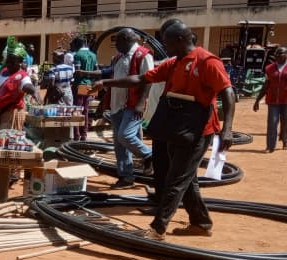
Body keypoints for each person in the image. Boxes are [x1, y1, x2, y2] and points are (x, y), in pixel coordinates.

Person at [93, 22, 236, 239]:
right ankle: (201, 222)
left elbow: (228, 93)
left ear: (180, 40)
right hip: (176, 127)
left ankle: (158, 228)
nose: (164, 46)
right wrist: (107, 82)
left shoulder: (207, 61)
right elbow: (141, 79)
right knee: (186, 180)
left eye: (167, 42)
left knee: (176, 178)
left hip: (199, 131)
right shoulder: (174, 63)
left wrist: (227, 129)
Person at [78, 28, 155, 189]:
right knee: (119, 143)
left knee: (125, 135)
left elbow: (147, 80)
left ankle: (149, 155)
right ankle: (126, 176)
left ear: (127, 39)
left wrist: (141, 102)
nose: (116, 45)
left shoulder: (143, 55)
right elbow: (110, 75)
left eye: (118, 41)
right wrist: (103, 102)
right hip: (117, 104)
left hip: (133, 104)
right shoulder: (119, 57)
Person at [0, 40, 42, 130]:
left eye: (12, 62)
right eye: (7, 61)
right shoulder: (4, 71)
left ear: (20, 62)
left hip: (10, 115)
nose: (8, 64)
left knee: (6, 141)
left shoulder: (22, 76)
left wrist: (34, 92)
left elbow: (27, 85)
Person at [253, 46, 287, 153]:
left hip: (286, 100)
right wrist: (257, 100)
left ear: (286, 55)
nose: (277, 57)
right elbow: (266, 85)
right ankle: (270, 146)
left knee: (286, 121)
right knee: (272, 122)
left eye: (280, 54)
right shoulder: (270, 68)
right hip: (272, 100)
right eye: (276, 55)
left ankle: (285, 141)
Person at [72, 36, 98, 140]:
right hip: (90, 85)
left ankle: (77, 135)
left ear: (77, 44)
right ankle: (84, 134)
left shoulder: (77, 55)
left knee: (77, 110)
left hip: (80, 85)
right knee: (86, 110)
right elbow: (97, 70)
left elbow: (78, 72)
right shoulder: (93, 55)